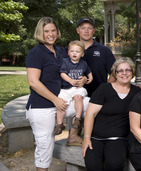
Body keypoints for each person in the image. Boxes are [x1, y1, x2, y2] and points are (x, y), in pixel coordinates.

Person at [82, 57, 141, 171]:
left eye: (128, 70)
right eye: (120, 70)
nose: (124, 73)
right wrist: (86, 138)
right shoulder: (104, 89)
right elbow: (90, 115)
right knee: (92, 165)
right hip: (96, 138)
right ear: (115, 73)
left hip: (118, 139)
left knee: (114, 164)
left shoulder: (138, 93)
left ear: (132, 72)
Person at [25, 17, 68, 171]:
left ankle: (77, 136)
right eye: (46, 31)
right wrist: (55, 100)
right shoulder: (36, 53)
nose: (51, 34)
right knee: (45, 148)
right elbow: (33, 82)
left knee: (88, 107)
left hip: (61, 103)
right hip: (41, 107)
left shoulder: (60, 51)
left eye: (53, 30)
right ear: (40, 33)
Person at [54, 40, 93, 145]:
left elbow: (89, 73)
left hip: (77, 88)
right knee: (62, 103)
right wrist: (70, 80)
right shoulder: (65, 62)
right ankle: (59, 124)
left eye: (77, 51)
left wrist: (89, 78)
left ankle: (77, 119)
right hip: (66, 88)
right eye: (72, 51)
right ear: (68, 53)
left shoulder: (83, 64)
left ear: (82, 54)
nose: (74, 53)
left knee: (78, 98)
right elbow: (62, 73)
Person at [76, 17, 116, 97]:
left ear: (94, 31)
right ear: (78, 30)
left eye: (89, 28)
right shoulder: (69, 50)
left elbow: (115, 72)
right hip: (74, 97)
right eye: (83, 28)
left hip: (98, 98)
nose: (86, 31)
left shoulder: (104, 50)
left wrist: (105, 90)